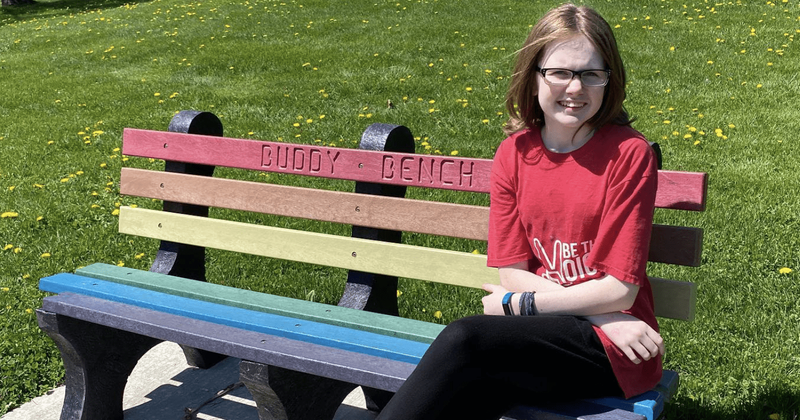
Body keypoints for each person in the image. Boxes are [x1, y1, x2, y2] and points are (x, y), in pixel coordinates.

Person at [375, 4, 664, 420]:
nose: (576, 88)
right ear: (533, 77)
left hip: (616, 351)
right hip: (603, 326)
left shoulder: (628, 154)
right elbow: (511, 273)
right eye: (560, 72)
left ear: (609, 80)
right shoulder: (515, 153)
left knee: (465, 340)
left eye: (591, 74)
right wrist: (604, 317)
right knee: (468, 386)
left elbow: (621, 289)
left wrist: (519, 305)